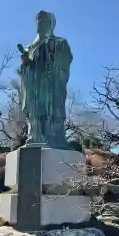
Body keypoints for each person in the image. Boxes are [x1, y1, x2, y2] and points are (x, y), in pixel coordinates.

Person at [18, 10, 73, 149]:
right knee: (34, 113)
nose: (40, 24)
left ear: (51, 24)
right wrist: (25, 64)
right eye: (38, 21)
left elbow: (64, 62)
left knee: (50, 113)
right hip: (34, 87)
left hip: (50, 87)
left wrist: (51, 54)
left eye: (44, 21)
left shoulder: (60, 42)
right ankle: (34, 136)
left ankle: (53, 136)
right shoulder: (29, 47)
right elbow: (24, 70)